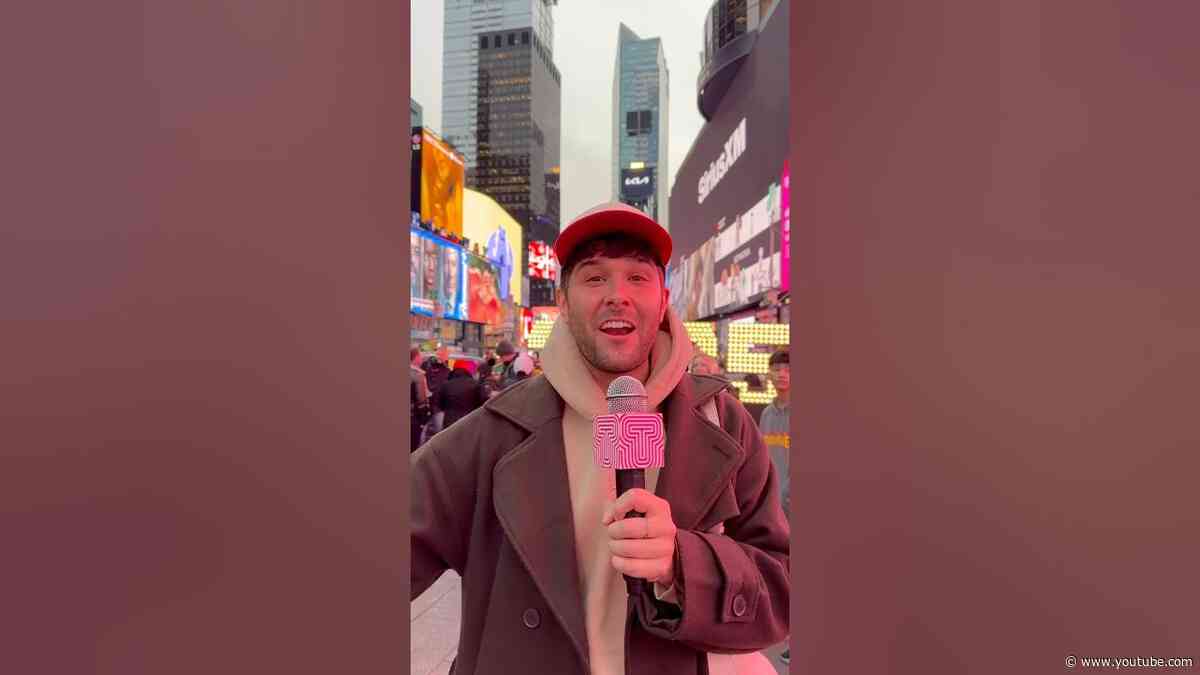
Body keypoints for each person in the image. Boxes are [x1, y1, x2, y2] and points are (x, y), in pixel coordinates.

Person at [411, 202, 788, 674]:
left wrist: (682, 564)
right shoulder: (491, 434)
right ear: (564, 302)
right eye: (594, 278)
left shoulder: (723, 423)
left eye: (637, 277)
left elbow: (783, 588)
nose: (618, 295)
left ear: (664, 298)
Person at [759, 346, 791, 666]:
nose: (781, 375)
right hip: (774, 510)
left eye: (787, 369)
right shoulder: (768, 414)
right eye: (777, 369)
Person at [432, 360, 488, 430]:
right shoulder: (476, 385)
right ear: (469, 371)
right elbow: (483, 403)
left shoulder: (445, 385)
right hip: (470, 422)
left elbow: (439, 404)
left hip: (450, 422)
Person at [410, 346, 432, 452]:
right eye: (420, 355)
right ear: (416, 357)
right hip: (412, 418)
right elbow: (422, 400)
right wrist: (424, 418)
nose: (422, 358)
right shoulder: (418, 375)